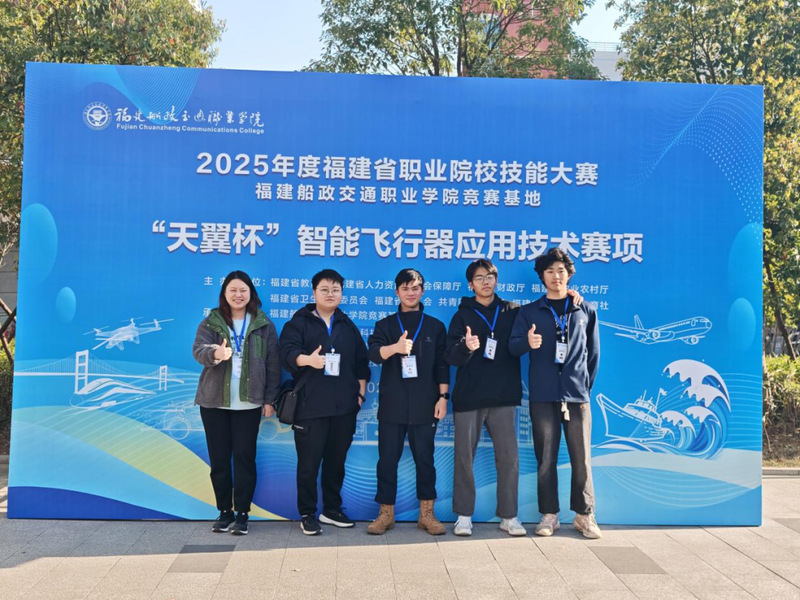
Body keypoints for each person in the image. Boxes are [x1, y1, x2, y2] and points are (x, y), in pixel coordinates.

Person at [509, 248, 602, 539]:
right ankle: (549, 515)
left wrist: (582, 387)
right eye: (549, 271)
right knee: (546, 459)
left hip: (576, 396)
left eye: (561, 270)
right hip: (543, 395)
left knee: (581, 459)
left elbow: (593, 354)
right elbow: (513, 347)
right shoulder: (530, 311)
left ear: (569, 274)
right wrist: (527, 342)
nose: (556, 276)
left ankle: (584, 515)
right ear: (542, 277)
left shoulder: (584, 309)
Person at [279, 269, 370, 536]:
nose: (330, 294)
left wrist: (360, 395)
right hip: (310, 408)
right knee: (308, 465)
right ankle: (307, 513)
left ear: (342, 293)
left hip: (344, 409)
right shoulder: (299, 323)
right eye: (324, 290)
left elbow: (361, 363)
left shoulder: (347, 325)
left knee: (336, 463)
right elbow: (286, 354)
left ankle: (331, 509)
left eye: (335, 290)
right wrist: (307, 360)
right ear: (314, 292)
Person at [192, 270, 281, 535]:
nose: (238, 295)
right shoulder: (211, 322)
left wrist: (269, 399)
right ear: (224, 294)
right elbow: (198, 351)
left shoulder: (264, 325)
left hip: (249, 404)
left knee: (244, 459)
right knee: (219, 460)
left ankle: (242, 513)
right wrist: (215, 353)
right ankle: (224, 512)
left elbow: (273, 365)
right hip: (214, 402)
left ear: (251, 293)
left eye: (243, 290)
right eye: (233, 290)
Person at [444, 259, 527, 537]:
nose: (485, 281)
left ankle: (509, 516)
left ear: (496, 279)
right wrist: (466, 347)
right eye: (479, 278)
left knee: (509, 458)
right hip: (470, 396)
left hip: (503, 397)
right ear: (471, 284)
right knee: (464, 458)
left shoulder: (513, 311)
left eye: (489, 276)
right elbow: (451, 357)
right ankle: (464, 516)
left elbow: (540, 316)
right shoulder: (461, 317)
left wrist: (571, 295)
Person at [366, 268, 449, 535]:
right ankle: (385, 514)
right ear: (397, 292)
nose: (410, 293)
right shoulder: (386, 325)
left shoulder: (435, 326)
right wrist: (395, 348)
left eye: (415, 288)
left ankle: (427, 514)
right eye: (405, 288)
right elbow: (374, 354)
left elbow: (442, 365)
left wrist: (443, 397)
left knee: (425, 459)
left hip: (426, 403)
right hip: (393, 403)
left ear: (422, 291)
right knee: (387, 460)